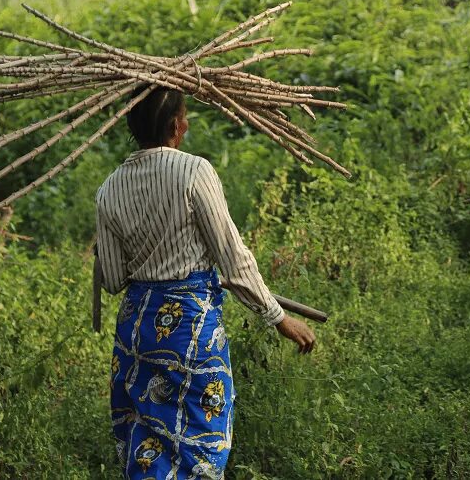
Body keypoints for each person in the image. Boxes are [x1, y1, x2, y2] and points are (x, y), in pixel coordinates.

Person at [93, 85, 316, 479]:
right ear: (176, 125)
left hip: (137, 332)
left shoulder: (109, 188)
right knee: (198, 441)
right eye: (185, 116)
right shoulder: (194, 171)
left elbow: (111, 280)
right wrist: (280, 319)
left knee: (146, 445)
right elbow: (233, 258)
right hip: (187, 332)